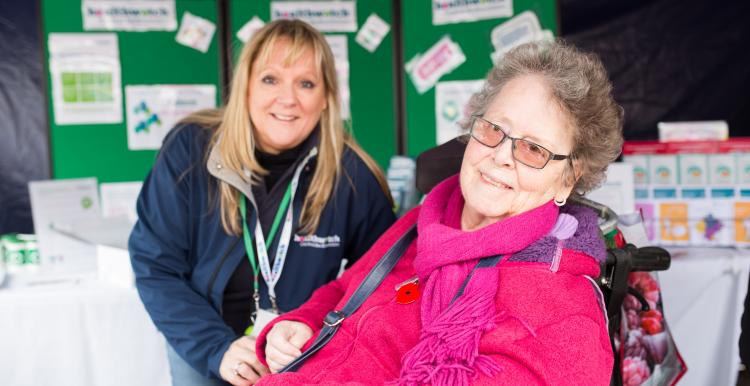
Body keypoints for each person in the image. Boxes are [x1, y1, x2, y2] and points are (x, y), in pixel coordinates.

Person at [254, 40, 624, 385]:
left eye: (533, 149)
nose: (500, 156)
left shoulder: (561, 312)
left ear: (568, 179)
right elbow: (344, 290)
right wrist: (300, 323)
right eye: (494, 129)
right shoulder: (422, 223)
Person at [129, 20, 395, 386]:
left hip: (298, 354)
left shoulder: (353, 176)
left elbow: (382, 281)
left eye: (306, 83)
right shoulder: (190, 149)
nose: (288, 99)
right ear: (246, 87)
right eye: (271, 79)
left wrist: (317, 332)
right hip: (203, 346)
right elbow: (155, 266)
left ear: (326, 99)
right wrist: (215, 349)